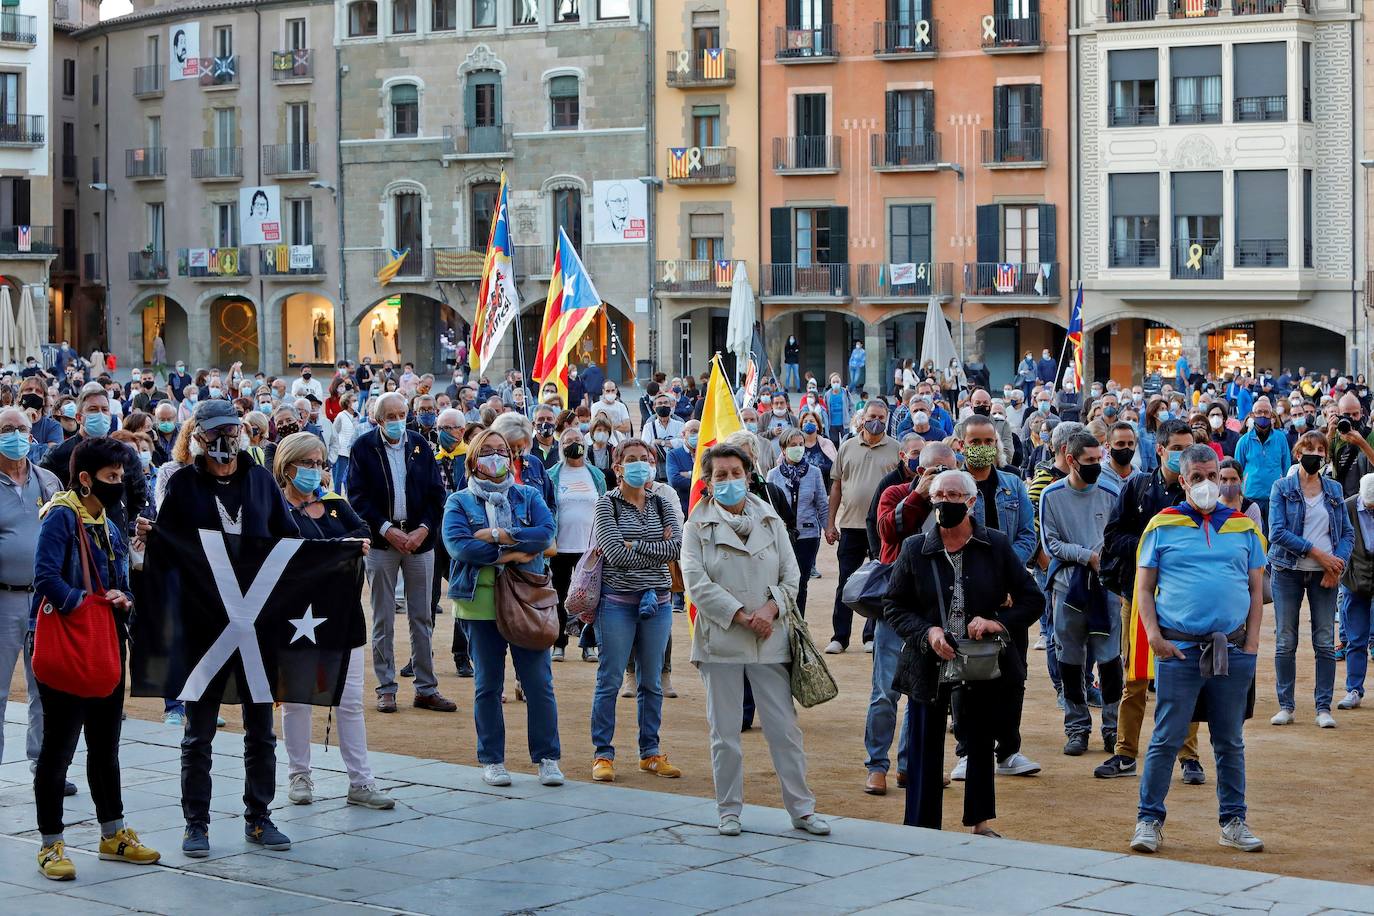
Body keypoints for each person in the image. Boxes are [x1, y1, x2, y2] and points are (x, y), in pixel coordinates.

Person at [145, 400, 300, 857]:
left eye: (231, 431)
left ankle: (259, 816)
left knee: (260, 728)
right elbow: (169, 548)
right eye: (214, 432)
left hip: (255, 626)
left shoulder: (259, 481)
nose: (224, 441)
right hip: (204, 628)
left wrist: (336, 552)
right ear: (197, 435)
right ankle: (197, 823)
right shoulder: (184, 486)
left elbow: (289, 539)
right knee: (198, 731)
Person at [680, 442, 831, 837]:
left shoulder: (771, 519)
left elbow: (792, 575)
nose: (730, 481)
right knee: (725, 733)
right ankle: (728, 810)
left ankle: (802, 808)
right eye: (720, 475)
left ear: (750, 476)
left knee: (784, 730)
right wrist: (742, 615)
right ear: (708, 484)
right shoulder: (695, 526)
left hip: (770, 636)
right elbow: (696, 583)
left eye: (736, 473)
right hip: (722, 639)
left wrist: (770, 611)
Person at [885, 469, 1044, 835]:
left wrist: (996, 622)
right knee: (925, 743)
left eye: (955, 496)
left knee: (981, 740)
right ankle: (921, 825)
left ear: (971, 502)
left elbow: (1032, 599)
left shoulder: (997, 545)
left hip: (980, 660)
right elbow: (894, 605)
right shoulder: (915, 548)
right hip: (929, 660)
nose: (945, 502)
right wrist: (927, 632)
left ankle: (980, 820)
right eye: (939, 495)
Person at [31, 437, 161, 880]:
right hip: (72, 641)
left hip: (104, 639)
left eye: (121, 478)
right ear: (84, 479)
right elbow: (45, 577)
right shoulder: (62, 516)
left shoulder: (105, 515)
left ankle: (113, 833)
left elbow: (116, 571)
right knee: (58, 748)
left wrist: (120, 597)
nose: (118, 486)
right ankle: (51, 844)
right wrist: (84, 603)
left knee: (105, 745)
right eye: (110, 479)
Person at [1130, 445, 1266, 855]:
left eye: (1217, 476)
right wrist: (1154, 637)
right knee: (1167, 737)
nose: (1210, 485)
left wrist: (1253, 642)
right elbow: (1144, 587)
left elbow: (1257, 589)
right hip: (1179, 650)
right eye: (1199, 477)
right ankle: (1148, 820)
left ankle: (1233, 821)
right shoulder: (1161, 526)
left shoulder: (1243, 527)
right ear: (1183, 479)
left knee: (1229, 740)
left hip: (1234, 650)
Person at [271, 433, 394, 811]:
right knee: (297, 700)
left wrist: (333, 552)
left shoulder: (336, 505)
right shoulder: (275, 509)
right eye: (306, 463)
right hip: (295, 617)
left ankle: (361, 781)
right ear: (286, 466)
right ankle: (299, 775)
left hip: (342, 616)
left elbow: (361, 534)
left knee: (351, 701)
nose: (315, 470)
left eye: (320, 462)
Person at [443, 428, 563, 788]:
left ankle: (547, 757)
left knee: (539, 683)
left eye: (501, 450)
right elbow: (460, 547)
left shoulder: (528, 494)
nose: (495, 457)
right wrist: (513, 550)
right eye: (487, 451)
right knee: (487, 684)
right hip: (479, 604)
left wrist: (495, 537)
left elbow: (546, 533)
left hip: (527, 600)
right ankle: (492, 759)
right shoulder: (459, 501)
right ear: (473, 460)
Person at [1099, 419, 1206, 783]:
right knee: (1136, 677)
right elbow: (1112, 537)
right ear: (1159, 450)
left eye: (1188, 448)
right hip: (1140, 597)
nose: (1183, 456)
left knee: (1185, 676)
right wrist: (1154, 546)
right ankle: (1125, 752)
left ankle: (1189, 757)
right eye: (1176, 449)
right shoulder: (1137, 488)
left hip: (1185, 604)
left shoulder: (1201, 492)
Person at [347, 392, 456, 714]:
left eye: (400, 415)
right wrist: (385, 529)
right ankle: (386, 687)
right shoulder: (363, 448)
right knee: (382, 618)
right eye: (390, 416)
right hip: (382, 542)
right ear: (378, 419)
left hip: (420, 541)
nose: (396, 421)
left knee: (422, 617)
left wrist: (423, 529)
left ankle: (426, 688)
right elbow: (357, 496)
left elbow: (437, 495)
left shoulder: (420, 446)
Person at [946, 414, 1040, 782]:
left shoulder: (1014, 486)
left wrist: (1005, 575)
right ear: (962, 445)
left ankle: (1008, 750)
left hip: (1011, 595)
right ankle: (968, 752)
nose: (982, 449)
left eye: (988, 442)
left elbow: (1029, 535)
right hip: (968, 591)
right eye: (975, 442)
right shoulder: (954, 488)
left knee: (1013, 672)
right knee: (966, 673)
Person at [589, 438, 683, 783]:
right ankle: (603, 753)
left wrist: (638, 545)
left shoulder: (662, 501)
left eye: (645, 459)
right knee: (610, 678)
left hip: (657, 601)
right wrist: (654, 547)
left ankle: (650, 752)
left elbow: (676, 546)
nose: (640, 464)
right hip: (616, 602)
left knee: (652, 681)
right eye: (631, 459)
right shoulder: (606, 504)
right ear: (618, 467)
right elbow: (614, 553)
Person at [1039, 430, 1123, 757]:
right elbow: (1050, 543)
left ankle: (1113, 729)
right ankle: (1077, 729)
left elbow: (1118, 538)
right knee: (1070, 662)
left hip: (1106, 588)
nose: (1096, 466)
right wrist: (1086, 555)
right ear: (1070, 459)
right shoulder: (1051, 495)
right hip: (1067, 587)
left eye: (1098, 459)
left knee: (1110, 660)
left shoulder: (1110, 491)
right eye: (1089, 461)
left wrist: (1104, 559)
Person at [0, 409, 65, 795]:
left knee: (47, 685)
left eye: (22, 429)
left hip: (44, 600)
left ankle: (45, 765)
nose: (17, 436)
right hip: (3, 597)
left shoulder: (48, 480)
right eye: (7, 430)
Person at [1267, 430, 1352, 728]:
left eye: (1320, 449)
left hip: (1325, 576)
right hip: (1287, 570)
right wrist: (1320, 555)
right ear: (1298, 452)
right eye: (1309, 448)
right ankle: (1286, 705)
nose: (1314, 453)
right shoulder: (1282, 487)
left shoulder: (1334, 490)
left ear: (1326, 455)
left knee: (1326, 641)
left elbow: (1347, 534)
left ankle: (1323, 707)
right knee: (1285, 639)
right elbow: (1276, 532)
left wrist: (1335, 565)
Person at [825, 399, 900, 654]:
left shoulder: (896, 449)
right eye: (871, 416)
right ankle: (840, 636)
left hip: (883, 528)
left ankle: (871, 635)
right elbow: (836, 487)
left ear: (887, 418)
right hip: (851, 525)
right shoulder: (846, 447)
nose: (875, 421)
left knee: (879, 582)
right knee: (846, 581)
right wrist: (830, 522)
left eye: (881, 417)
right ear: (863, 417)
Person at [548, 426, 606, 662]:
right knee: (560, 596)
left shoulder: (596, 475)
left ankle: (588, 643)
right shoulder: (552, 474)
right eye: (567, 441)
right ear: (560, 447)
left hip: (590, 547)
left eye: (578, 440)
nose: (574, 444)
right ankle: (558, 643)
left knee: (589, 597)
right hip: (560, 546)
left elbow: (604, 506)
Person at [766, 428, 827, 618]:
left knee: (801, 582)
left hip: (808, 535)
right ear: (783, 449)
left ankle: (799, 621)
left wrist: (829, 528)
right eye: (793, 445)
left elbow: (822, 504)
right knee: (780, 580)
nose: (798, 449)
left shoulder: (814, 473)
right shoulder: (773, 475)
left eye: (801, 445)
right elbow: (768, 507)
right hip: (781, 537)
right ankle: (782, 619)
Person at [1338, 473, 1374, 710]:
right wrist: (1345, 575)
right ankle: (1354, 689)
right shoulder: (1348, 507)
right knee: (1356, 639)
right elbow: (1338, 540)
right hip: (1354, 582)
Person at [1233, 396, 1288, 526]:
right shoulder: (1243, 441)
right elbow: (1237, 469)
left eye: (1266, 412)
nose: (1262, 415)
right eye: (1259, 412)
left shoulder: (1281, 439)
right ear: (1252, 414)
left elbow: (1286, 466)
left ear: (1271, 415)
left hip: (1275, 497)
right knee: (1253, 534)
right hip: (1250, 496)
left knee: (1273, 536)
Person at [1100, 421, 1139, 491]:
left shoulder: (1141, 479)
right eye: (1121, 444)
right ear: (1108, 446)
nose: (1126, 447)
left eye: (1130, 444)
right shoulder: (1098, 478)